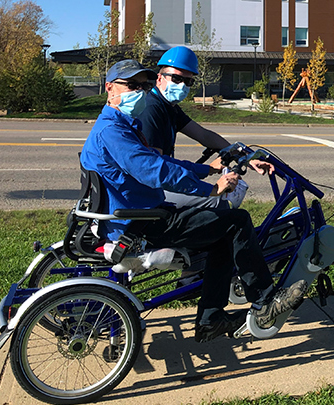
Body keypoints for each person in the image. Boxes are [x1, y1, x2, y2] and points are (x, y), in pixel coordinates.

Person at [79, 59, 307, 343]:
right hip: (142, 222)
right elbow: (155, 171)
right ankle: (266, 298)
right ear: (109, 87)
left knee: (222, 235)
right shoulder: (113, 131)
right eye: (132, 85)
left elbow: (159, 160)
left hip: (141, 213)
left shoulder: (120, 124)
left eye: (144, 85)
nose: (140, 91)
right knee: (237, 221)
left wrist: (207, 169)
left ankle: (211, 320)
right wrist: (211, 190)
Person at [136, 46, 272, 209]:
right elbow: (157, 168)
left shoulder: (169, 107)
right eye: (177, 79)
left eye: (188, 81)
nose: (182, 86)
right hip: (149, 190)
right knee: (218, 202)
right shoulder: (151, 109)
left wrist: (245, 158)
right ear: (159, 78)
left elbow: (204, 135)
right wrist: (207, 170)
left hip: (159, 183)